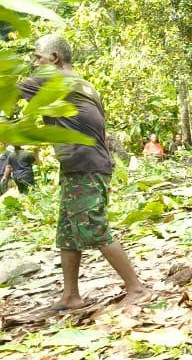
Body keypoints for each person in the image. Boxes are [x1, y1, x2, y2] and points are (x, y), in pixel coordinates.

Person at [18, 34, 148, 310]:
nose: (34, 63)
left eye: (37, 58)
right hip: (79, 165)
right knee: (67, 232)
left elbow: (7, 91)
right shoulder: (81, 84)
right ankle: (70, 295)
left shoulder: (55, 79)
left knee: (94, 226)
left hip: (86, 165)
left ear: (54, 59)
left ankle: (136, 288)